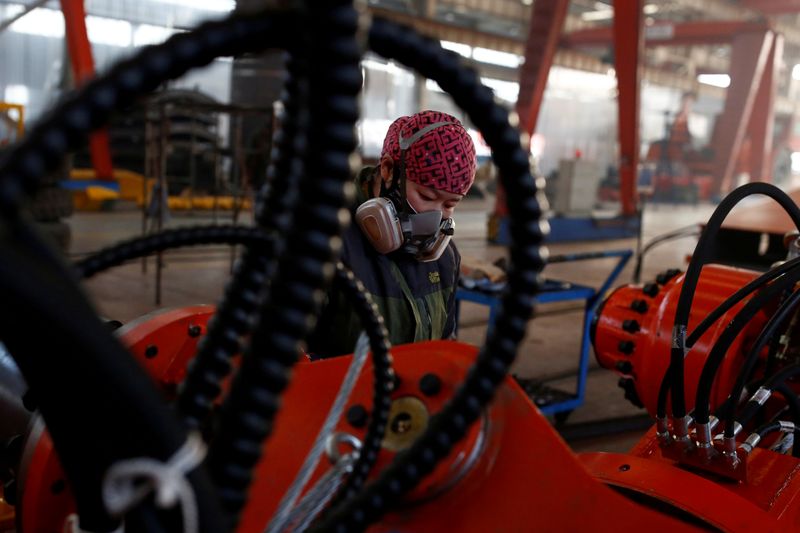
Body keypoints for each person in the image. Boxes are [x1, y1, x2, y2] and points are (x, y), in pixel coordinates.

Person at [306, 110, 477, 358]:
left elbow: (441, 349)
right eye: (427, 197)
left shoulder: (446, 260)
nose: (437, 217)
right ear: (387, 170)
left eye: (450, 204)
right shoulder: (323, 240)